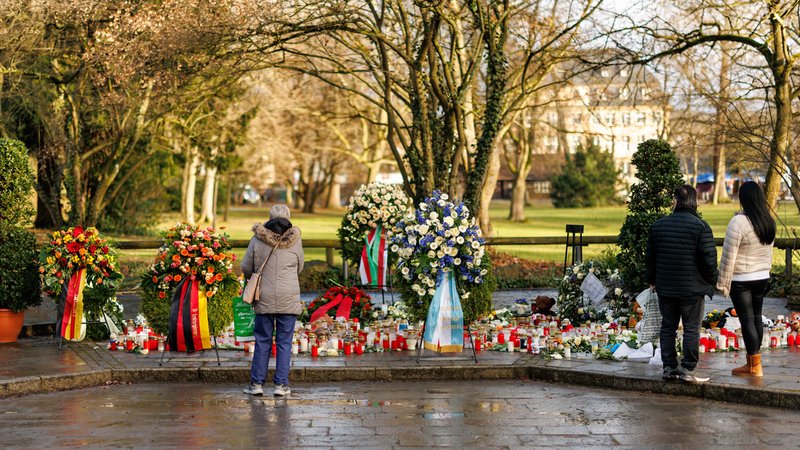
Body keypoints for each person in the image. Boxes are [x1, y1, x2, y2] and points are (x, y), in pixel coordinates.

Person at [646, 184, 718, 383]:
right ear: (694, 202)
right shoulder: (701, 227)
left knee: (668, 327)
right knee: (691, 328)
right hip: (691, 290)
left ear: (676, 201)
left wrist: (652, 280)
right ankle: (687, 369)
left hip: (665, 288)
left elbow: (650, 257)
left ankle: (669, 367)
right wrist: (712, 280)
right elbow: (709, 260)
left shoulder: (658, 225)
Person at [242, 204, 304, 396]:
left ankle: (257, 385)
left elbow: (246, 267)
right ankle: (281, 385)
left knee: (263, 341)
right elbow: (299, 267)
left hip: (264, 297)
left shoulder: (257, 239)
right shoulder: (295, 241)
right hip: (288, 298)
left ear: (269, 218)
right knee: (284, 342)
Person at [716, 181, 775, 377]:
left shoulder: (739, 222)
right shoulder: (768, 220)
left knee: (747, 319)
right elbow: (768, 253)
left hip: (742, 278)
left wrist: (722, 283)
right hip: (762, 277)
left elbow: (728, 255)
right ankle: (753, 362)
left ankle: (754, 365)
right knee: (756, 317)